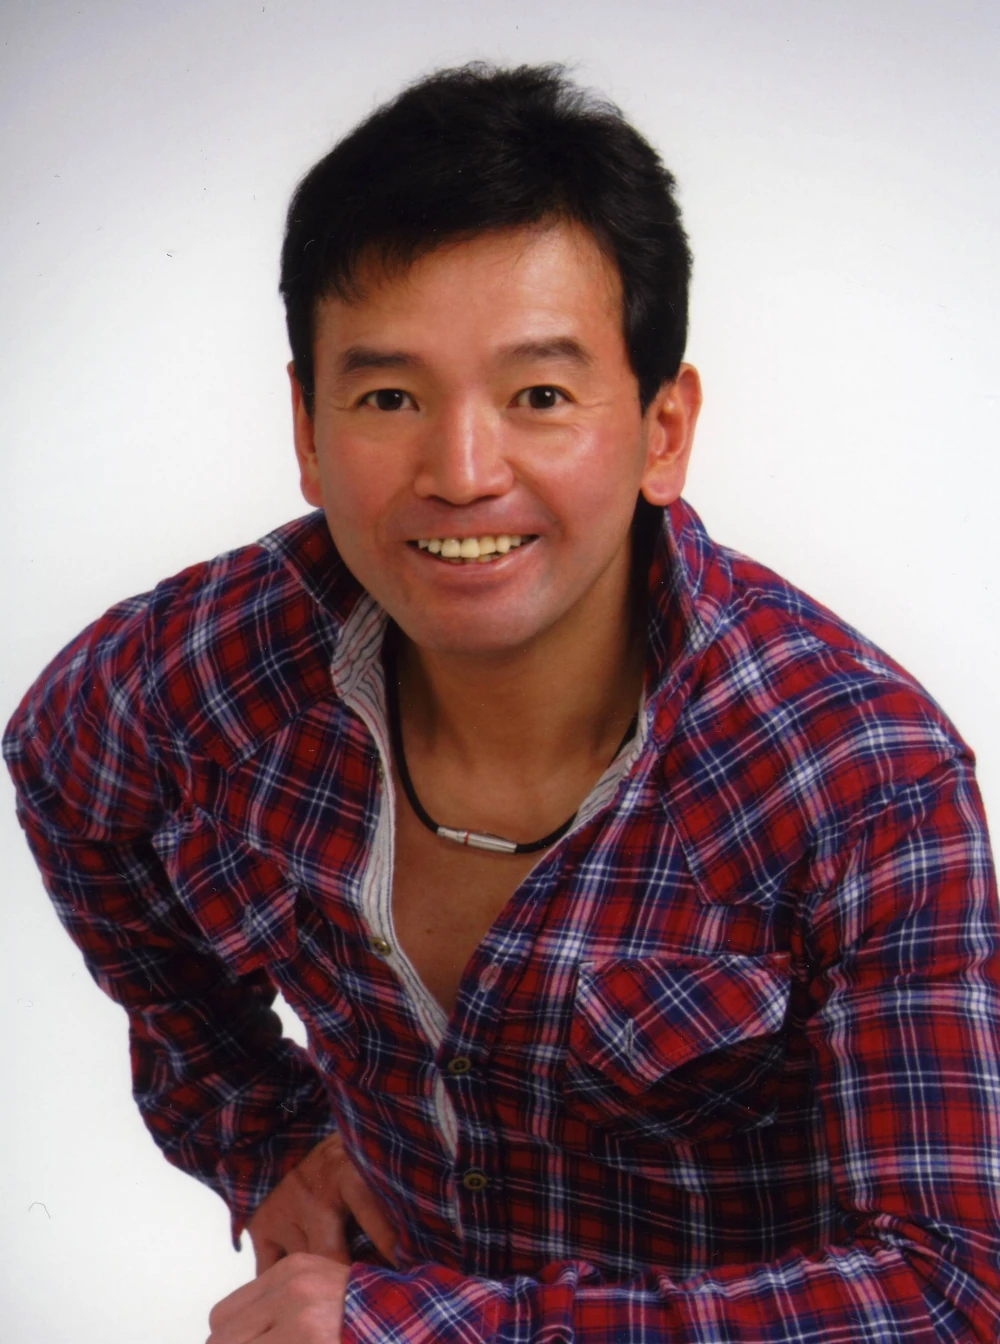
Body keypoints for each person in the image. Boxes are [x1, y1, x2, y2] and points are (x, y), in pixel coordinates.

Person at [5, 61, 1000, 1344]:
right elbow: (60, 767)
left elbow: (954, 1291)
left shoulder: (858, 772)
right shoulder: (216, 665)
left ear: (661, 429)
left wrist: (429, 1327)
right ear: (306, 428)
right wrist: (259, 1127)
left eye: (538, 396)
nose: (463, 471)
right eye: (389, 398)